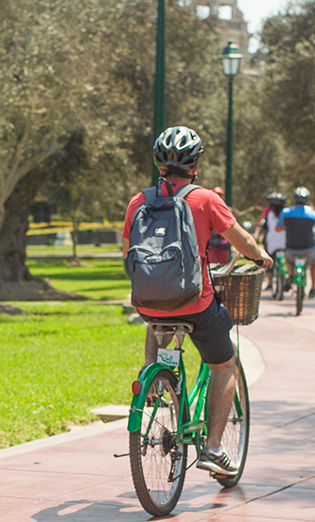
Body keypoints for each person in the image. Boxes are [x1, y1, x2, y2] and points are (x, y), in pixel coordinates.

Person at [123, 126, 272, 476]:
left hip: (147, 303)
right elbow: (242, 240)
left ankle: (155, 375)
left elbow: (127, 250)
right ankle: (214, 448)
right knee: (224, 365)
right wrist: (260, 255)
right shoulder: (205, 199)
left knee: (158, 320)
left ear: (159, 164)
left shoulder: (138, 201)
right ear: (195, 164)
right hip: (195, 303)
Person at [280, 187, 315, 298]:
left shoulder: (285, 213)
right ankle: (313, 288)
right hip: (308, 249)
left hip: (291, 249)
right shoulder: (313, 214)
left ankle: (290, 275)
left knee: (289, 260)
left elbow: (278, 227)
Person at [257, 193, 287, 291]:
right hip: (285, 242)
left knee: (269, 261)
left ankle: (269, 283)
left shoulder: (268, 213)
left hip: (271, 243)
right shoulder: (286, 213)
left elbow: (260, 223)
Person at [206, 187, 234, 265]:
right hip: (211, 244)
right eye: (216, 195)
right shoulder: (208, 209)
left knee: (223, 266)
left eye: (220, 195)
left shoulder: (228, 210)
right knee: (211, 266)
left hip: (223, 245)